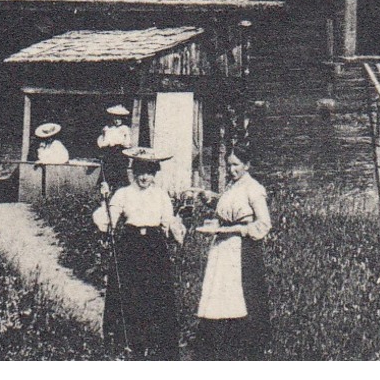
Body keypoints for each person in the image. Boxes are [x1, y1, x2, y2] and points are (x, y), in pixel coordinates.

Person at [93, 147, 186, 359]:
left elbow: (168, 221)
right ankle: (126, 342)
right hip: (130, 246)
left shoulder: (161, 195)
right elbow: (109, 220)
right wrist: (104, 201)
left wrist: (176, 229)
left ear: (155, 173)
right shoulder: (123, 194)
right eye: (141, 172)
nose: (145, 177)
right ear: (133, 171)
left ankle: (157, 345)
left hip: (154, 247)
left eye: (150, 173)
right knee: (129, 292)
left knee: (155, 293)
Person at [193, 148, 271, 358]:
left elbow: (263, 224)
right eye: (229, 165)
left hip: (241, 249)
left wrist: (238, 230)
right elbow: (227, 210)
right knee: (220, 294)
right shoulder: (231, 187)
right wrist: (210, 200)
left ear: (247, 165)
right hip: (222, 247)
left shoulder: (253, 188)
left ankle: (245, 346)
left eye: (236, 165)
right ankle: (219, 344)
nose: (231, 169)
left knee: (239, 295)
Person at [96, 105, 133, 191]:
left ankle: (118, 190)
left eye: (119, 119)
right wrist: (104, 135)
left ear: (122, 119)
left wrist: (122, 142)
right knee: (107, 172)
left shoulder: (125, 129)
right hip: (110, 152)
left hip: (120, 153)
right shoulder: (109, 128)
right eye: (115, 118)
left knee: (120, 173)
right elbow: (103, 142)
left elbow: (127, 143)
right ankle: (107, 191)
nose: (117, 121)